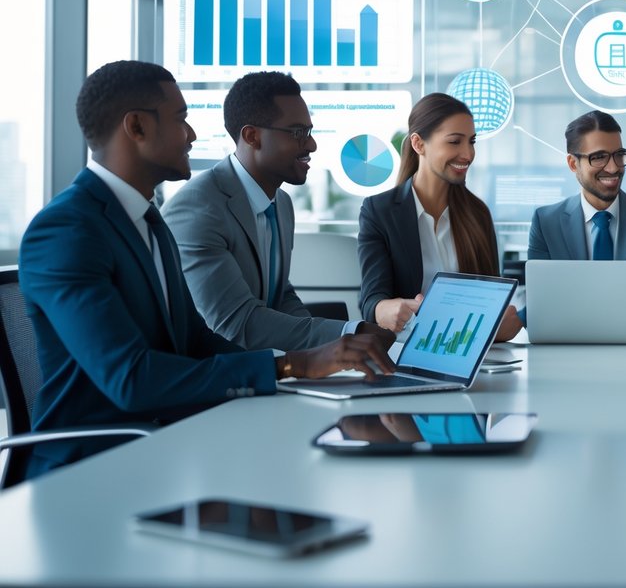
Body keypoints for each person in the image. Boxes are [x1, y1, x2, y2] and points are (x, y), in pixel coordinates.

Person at [18, 61, 394, 479]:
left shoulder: (148, 220)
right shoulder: (67, 230)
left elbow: (195, 337)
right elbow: (131, 378)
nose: (193, 135)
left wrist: (305, 363)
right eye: (181, 120)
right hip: (90, 468)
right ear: (137, 127)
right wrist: (291, 367)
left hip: (166, 441)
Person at [164, 71, 390, 350]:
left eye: (309, 132)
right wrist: (347, 334)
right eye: (298, 133)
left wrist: (329, 353)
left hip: (268, 372)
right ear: (252, 136)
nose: (311, 144)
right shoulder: (198, 209)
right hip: (217, 379)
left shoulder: (281, 204)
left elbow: (279, 296)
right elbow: (237, 325)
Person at [358, 93, 523, 341]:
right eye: (455, 142)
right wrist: (384, 309)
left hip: (468, 351)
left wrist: (500, 323)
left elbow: (491, 298)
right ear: (418, 144)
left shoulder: (477, 213)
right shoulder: (379, 211)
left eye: (472, 141)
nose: (468, 154)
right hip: (404, 352)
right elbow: (371, 301)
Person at [527, 110, 626, 311]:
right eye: (599, 157)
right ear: (573, 163)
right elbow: (541, 303)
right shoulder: (546, 222)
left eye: (619, 155)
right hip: (567, 340)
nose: (614, 168)